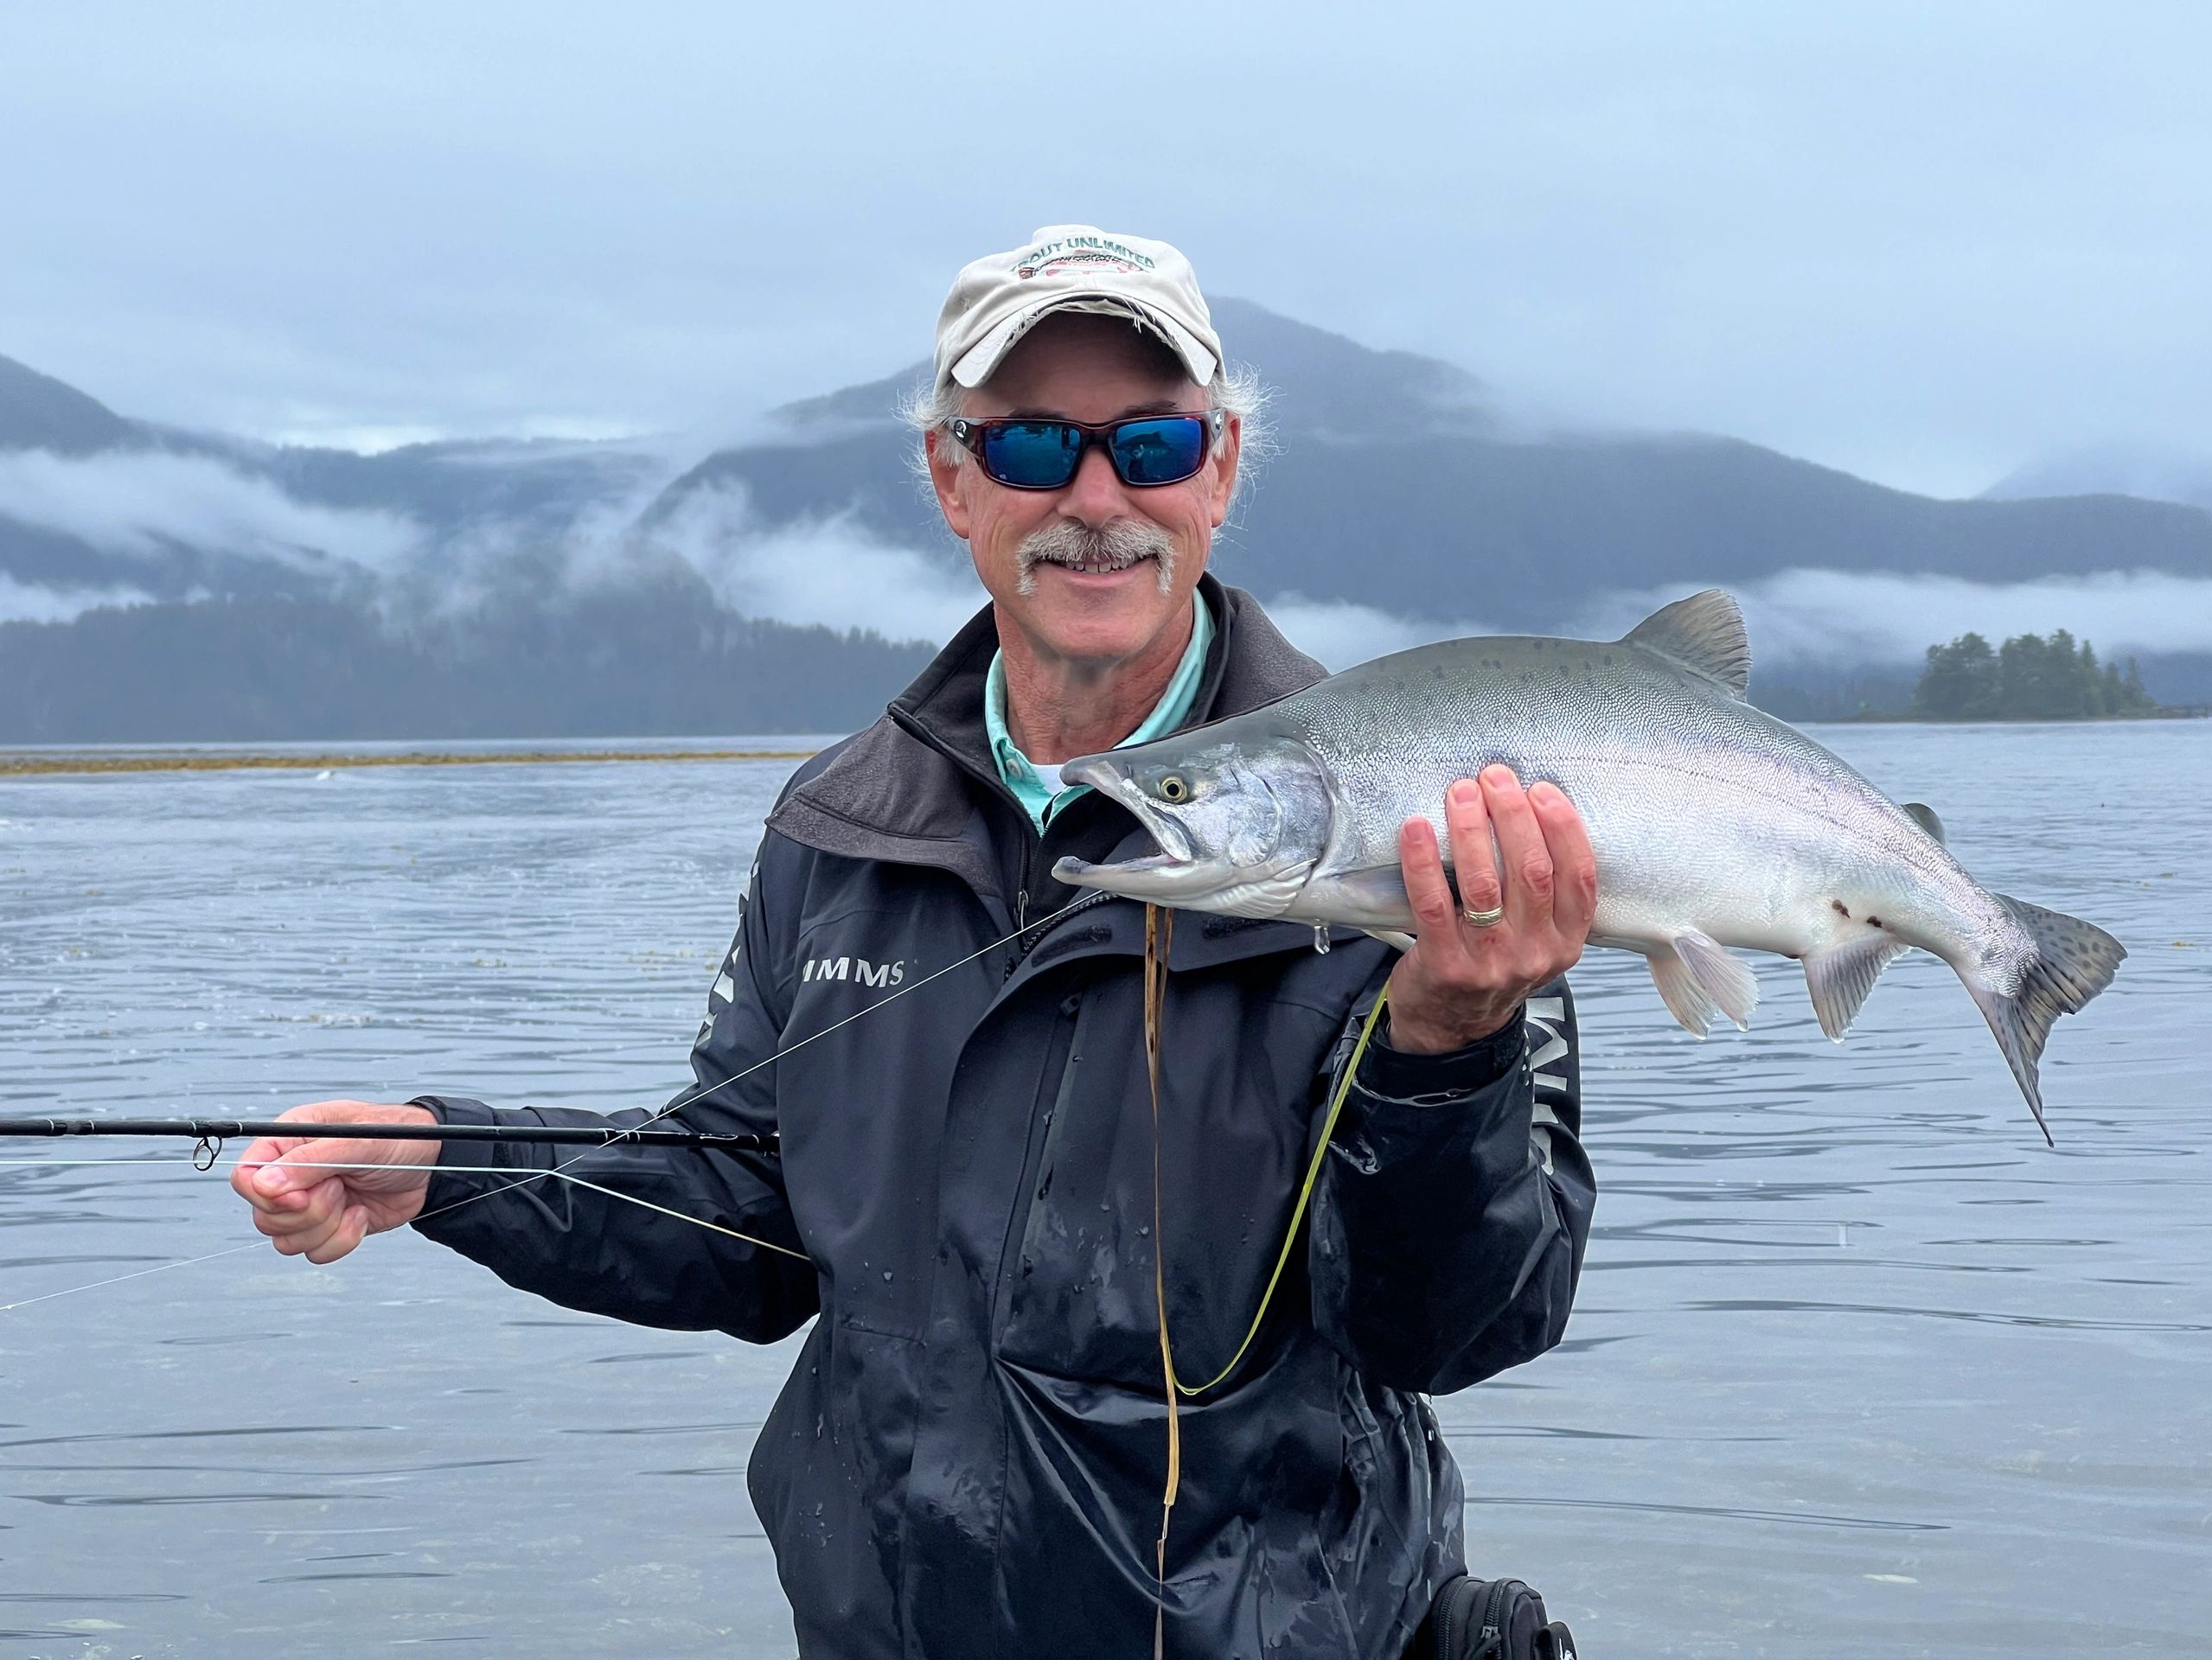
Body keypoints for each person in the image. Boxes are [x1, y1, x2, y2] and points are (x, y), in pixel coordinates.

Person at [231, 225, 1600, 1659]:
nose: (1093, 498)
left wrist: (1451, 1051)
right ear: (952, 479)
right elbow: (742, 1215)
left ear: (1222, 466)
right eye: (1029, 451)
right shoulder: (837, 827)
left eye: (1149, 445)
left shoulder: (1425, 831)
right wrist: (445, 1161)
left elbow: (1460, 1331)